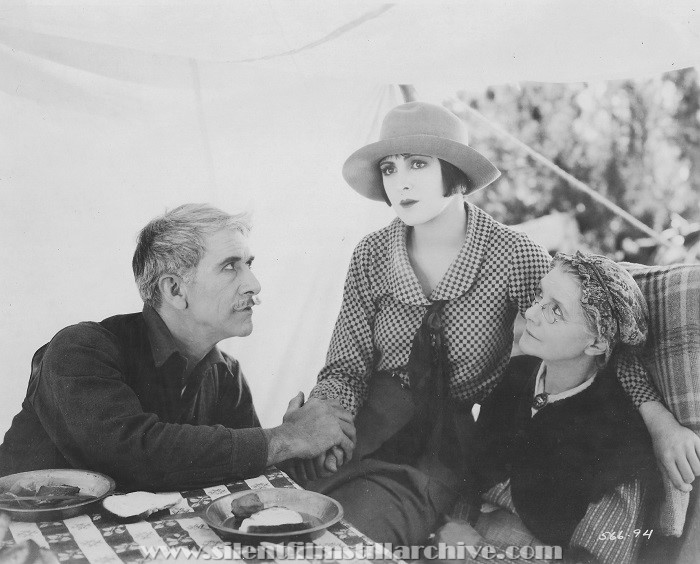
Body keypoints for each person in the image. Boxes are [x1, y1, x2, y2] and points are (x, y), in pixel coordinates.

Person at [299, 102, 697, 546]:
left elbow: (587, 333)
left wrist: (658, 417)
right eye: (389, 169)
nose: (401, 181)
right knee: (283, 521)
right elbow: (344, 366)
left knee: (347, 539)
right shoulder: (370, 255)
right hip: (365, 425)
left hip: (442, 446)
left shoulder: (512, 255)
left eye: (418, 164)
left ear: (454, 171)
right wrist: (325, 423)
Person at [0, 204, 355, 491]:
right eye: (230, 267)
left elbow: (239, 470)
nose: (254, 284)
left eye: (249, 265)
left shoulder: (226, 373)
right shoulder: (81, 349)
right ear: (174, 290)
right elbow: (138, 455)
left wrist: (305, 452)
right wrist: (288, 439)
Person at [434, 252, 660, 564]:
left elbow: (595, 559)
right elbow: (468, 479)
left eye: (556, 311)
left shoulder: (618, 434)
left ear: (595, 344)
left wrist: (478, 554)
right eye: (541, 296)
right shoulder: (515, 374)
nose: (530, 312)